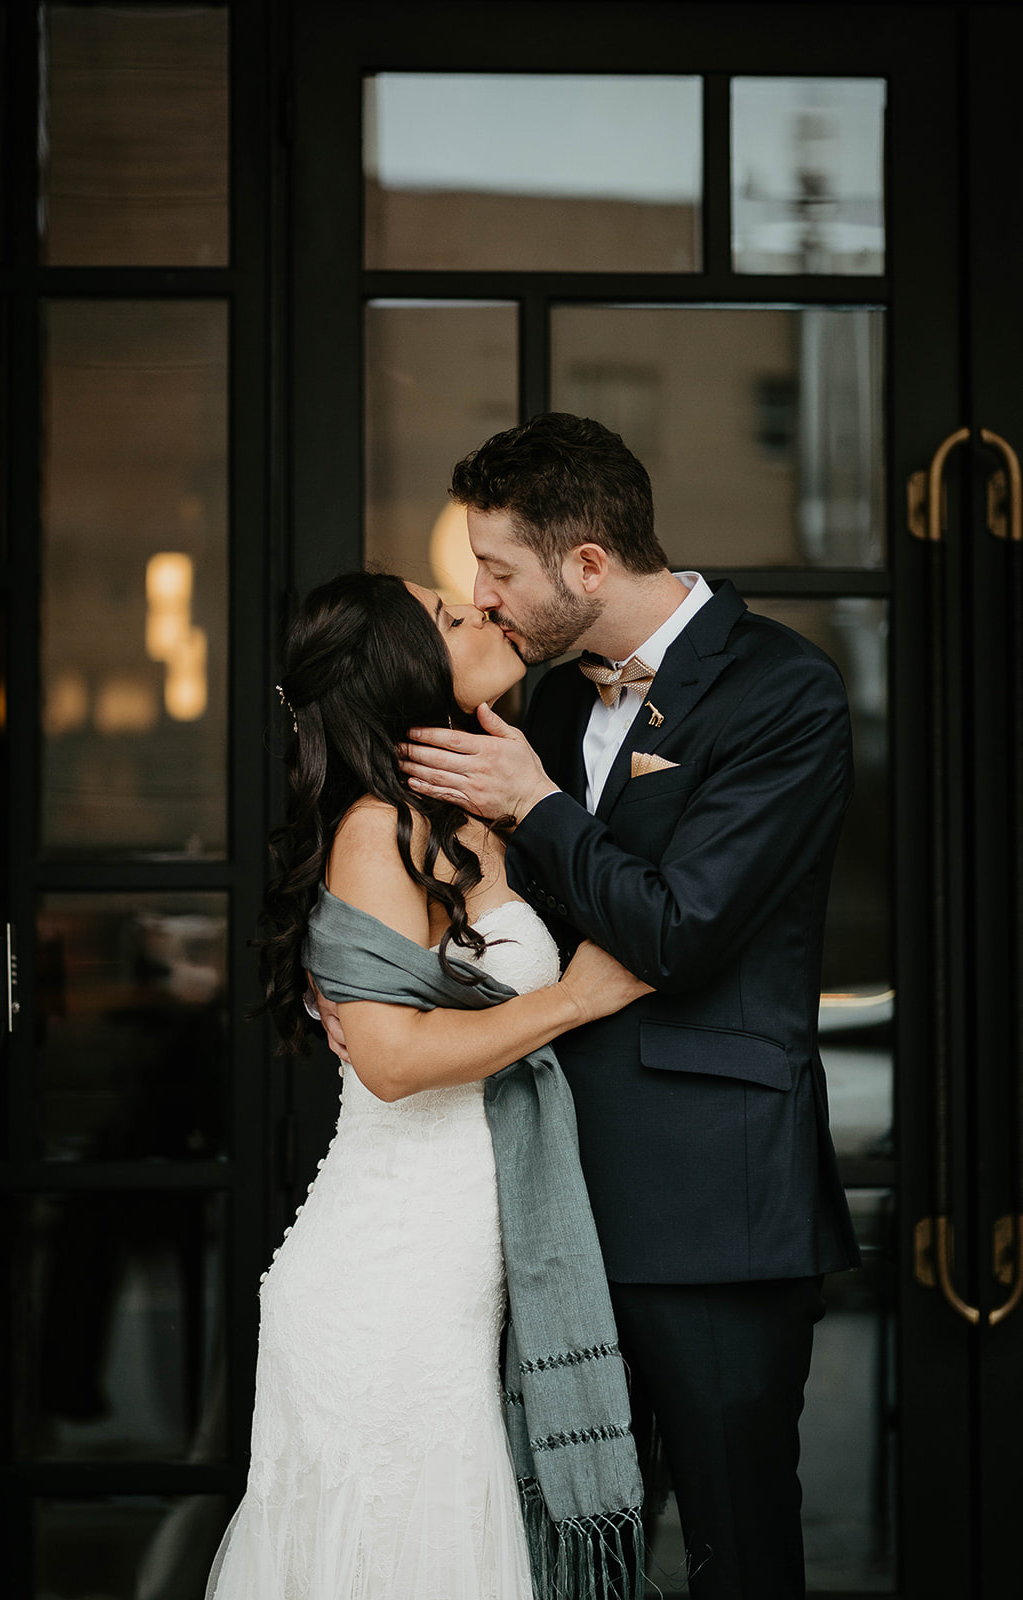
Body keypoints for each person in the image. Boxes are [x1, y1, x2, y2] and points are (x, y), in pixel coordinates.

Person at [397, 413, 862, 1599]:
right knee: (563, 1550)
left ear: (587, 562)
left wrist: (538, 805)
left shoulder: (782, 688)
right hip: (553, 1199)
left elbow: (679, 929)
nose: (483, 597)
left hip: (713, 1204)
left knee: (730, 1542)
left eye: (497, 570)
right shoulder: (546, 705)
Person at [204, 570, 651, 1600]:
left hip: (449, 1287)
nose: (483, 610)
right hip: (383, 1286)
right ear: (403, 668)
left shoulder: (464, 814)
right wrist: (572, 1000)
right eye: (451, 617)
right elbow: (390, 1059)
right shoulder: (374, 832)